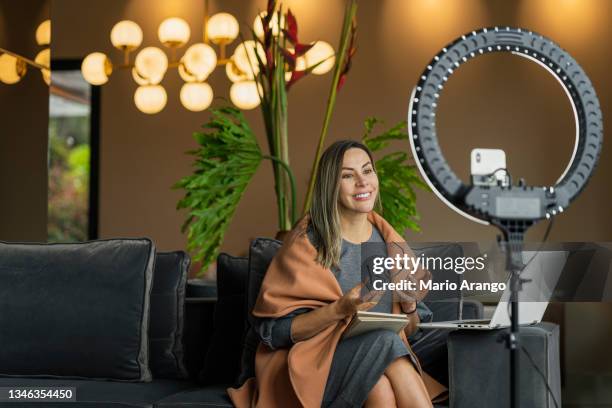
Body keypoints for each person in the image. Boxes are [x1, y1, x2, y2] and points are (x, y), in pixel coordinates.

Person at [227, 140, 446, 408]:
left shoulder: (390, 244)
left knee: (380, 388)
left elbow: (408, 333)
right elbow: (273, 332)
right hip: (311, 371)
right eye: (347, 175)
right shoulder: (306, 244)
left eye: (367, 171)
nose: (362, 182)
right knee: (383, 342)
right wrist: (340, 308)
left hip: (370, 365)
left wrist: (409, 304)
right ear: (331, 185)